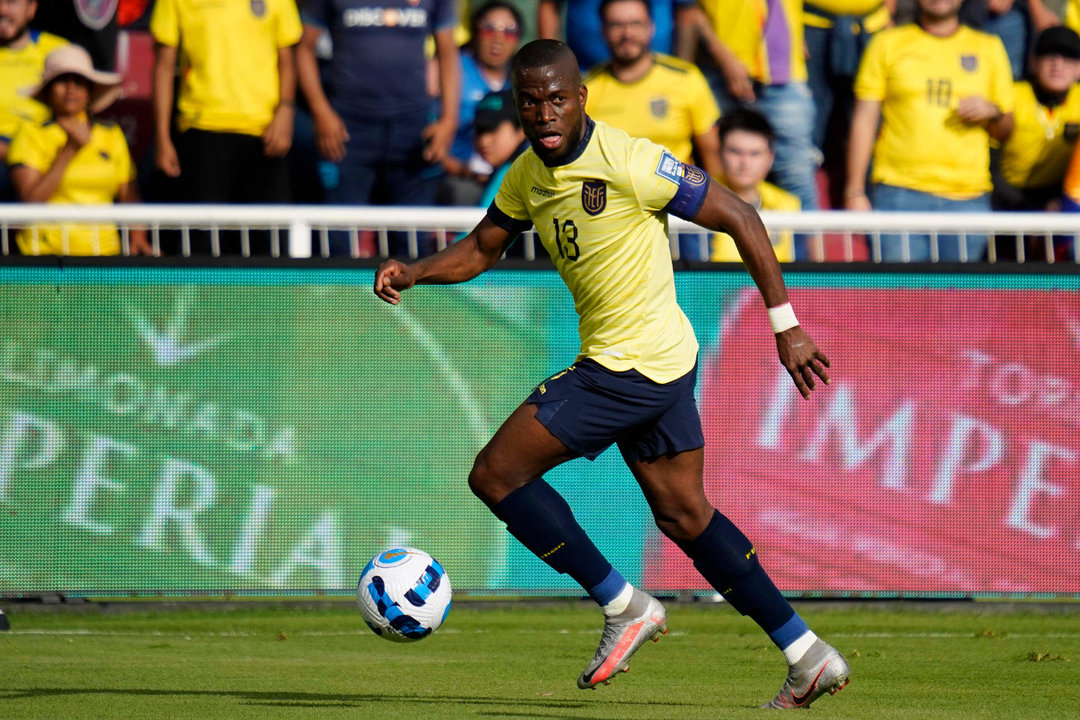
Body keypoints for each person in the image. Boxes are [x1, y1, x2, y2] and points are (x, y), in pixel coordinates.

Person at [374, 39, 848, 709]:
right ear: (518, 105)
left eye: (557, 98)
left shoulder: (630, 160)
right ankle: (806, 653)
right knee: (686, 516)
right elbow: (483, 248)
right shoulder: (527, 176)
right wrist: (416, 271)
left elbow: (740, 215)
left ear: (581, 98)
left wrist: (786, 325)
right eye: (531, 101)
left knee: (496, 473)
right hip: (663, 364)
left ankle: (622, 604)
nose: (545, 112)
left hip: (628, 367)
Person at [846, 0, 1015, 262]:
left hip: (968, 198)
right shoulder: (886, 43)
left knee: (959, 301)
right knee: (901, 299)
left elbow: (1006, 130)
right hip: (898, 194)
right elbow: (864, 119)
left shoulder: (989, 46)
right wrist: (854, 191)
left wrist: (994, 112)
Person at [297, 0, 460, 256]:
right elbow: (304, 48)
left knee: (411, 246)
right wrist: (321, 113)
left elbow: (448, 51)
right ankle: (338, 297)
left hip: (413, 128)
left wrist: (449, 120)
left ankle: (409, 298)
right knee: (338, 242)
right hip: (346, 130)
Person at [151, 0, 301, 253]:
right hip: (202, 130)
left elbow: (287, 59)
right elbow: (164, 67)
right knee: (200, 244)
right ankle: (198, 294)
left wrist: (286, 110)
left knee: (270, 246)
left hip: (264, 132)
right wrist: (162, 139)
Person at [584, 0, 722, 260]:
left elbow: (711, 154)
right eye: (617, 25)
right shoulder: (586, 90)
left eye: (636, 24)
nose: (627, 33)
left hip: (679, 212)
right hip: (612, 216)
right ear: (602, 30)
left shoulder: (685, 78)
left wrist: (717, 216)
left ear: (651, 28)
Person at [680, 0, 822, 224]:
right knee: (720, 170)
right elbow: (688, 11)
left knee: (797, 175)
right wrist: (723, 57)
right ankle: (717, 253)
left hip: (784, 73)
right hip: (719, 73)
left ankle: (812, 258)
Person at [7, 44, 151, 256]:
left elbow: (129, 195)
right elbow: (30, 202)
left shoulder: (111, 134)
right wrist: (69, 151)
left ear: (89, 90)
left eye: (79, 81)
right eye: (62, 81)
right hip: (45, 259)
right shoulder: (30, 134)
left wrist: (138, 238)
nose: (71, 89)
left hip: (103, 256)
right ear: (48, 90)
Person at [803, 0, 891, 207]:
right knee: (809, 131)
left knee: (870, 123)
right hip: (810, 23)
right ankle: (809, 220)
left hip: (873, 24)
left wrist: (888, 9)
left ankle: (863, 205)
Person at [441, 1, 524, 206]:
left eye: (509, 31)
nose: (498, 39)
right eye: (488, 29)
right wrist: (462, 170)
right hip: (455, 176)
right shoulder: (450, 71)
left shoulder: (522, 79)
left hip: (506, 175)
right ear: (473, 32)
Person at [994, 26, 1080, 212]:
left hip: (1059, 199)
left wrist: (1058, 202)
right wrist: (1031, 208)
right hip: (1007, 197)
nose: (1058, 65)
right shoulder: (1011, 96)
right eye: (1049, 56)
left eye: (1068, 58)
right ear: (1034, 63)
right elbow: (990, 167)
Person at [0, 0, 68, 201]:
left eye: (12, 2)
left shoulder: (57, 50)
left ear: (32, 9)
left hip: (47, 154)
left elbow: (77, 114)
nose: (2, 10)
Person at [710, 108, 800, 262]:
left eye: (755, 153)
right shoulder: (698, 200)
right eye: (736, 152)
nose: (745, 163)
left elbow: (802, 271)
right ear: (719, 153)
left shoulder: (789, 205)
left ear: (771, 158)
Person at [538, 0, 696, 71]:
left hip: (659, 74)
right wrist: (554, 67)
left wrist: (681, 68)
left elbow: (686, 14)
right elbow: (549, 6)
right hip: (585, 74)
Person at [472, 89, 529, 208]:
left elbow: (482, 224)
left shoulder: (514, 173)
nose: (484, 141)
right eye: (480, 131)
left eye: (493, 130)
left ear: (521, 129)